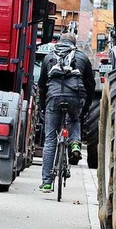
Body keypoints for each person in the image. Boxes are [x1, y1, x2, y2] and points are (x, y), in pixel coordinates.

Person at [37, 32, 95, 192]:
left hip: (53, 98)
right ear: (74, 44)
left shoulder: (49, 57)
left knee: (50, 140)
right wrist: (86, 106)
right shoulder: (82, 57)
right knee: (75, 120)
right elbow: (90, 84)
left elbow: (42, 85)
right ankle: (75, 143)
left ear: (59, 42)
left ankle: (47, 181)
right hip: (75, 97)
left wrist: (43, 105)